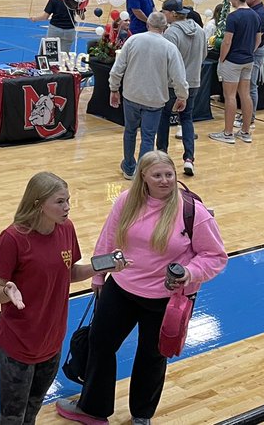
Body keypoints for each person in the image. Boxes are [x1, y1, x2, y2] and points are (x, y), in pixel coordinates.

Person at [56, 152, 227, 425]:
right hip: (121, 288)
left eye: (169, 174)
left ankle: (141, 416)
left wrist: (190, 272)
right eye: (157, 175)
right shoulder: (126, 201)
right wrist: (98, 277)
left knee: (152, 356)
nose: (164, 180)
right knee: (100, 344)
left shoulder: (193, 211)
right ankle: (93, 409)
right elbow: (108, 239)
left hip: (164, 299)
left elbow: (215, 256)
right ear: (143, 177)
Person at [0, 172, 116, 425]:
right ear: (38, 203)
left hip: (52, 341)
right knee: (12, 416)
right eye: (60, 202)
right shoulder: (13, 238)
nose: (67, 207)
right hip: (18, 343)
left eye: (68, 200)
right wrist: (7, 291)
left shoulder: (66, 229)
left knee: (34, 407)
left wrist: (106, 264)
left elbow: (71, 272)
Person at [109, 11, 188, 179]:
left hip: (131, 95)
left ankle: (129, 166)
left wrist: (114, 89)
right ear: (165, 28)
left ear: (147, 25)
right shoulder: (169, 48)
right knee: (148, 137)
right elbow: (179, 78)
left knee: (130, 131)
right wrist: (182, 96)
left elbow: (117, 68)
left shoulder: (133, 40)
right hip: (155, 99)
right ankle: (142, 173)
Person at [210, 0, 260, 144]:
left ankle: (228, 133)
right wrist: (249, 51)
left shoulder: (233, 17)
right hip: (248, 60)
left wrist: (222, 59)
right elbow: (258, 39)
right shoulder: (255, 15)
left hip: (233, 61)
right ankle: (245, 132)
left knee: (230, 96)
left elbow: (227, 42)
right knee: (245, 94)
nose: (230, 1)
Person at [160, 0, 205, 177]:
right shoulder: (200, 30)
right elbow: (204, 55)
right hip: (194, 81)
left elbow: (167, 61)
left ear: (172, 13)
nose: (162, 16)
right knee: (187, 119)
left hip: (173, 84)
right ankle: (189, 159)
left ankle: (162, 156)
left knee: (164, 118)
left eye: (164, 12)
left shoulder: (171, 33)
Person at [244, 0, 264, 126]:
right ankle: (246, 115)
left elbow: (258, 39)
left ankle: (251, 117)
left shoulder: (260, 14)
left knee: (251, 85)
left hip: (255, 53)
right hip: (252, 52)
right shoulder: (254, 11)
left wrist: (249, 53)